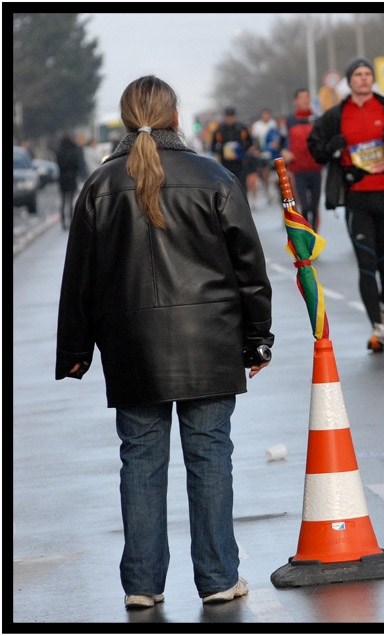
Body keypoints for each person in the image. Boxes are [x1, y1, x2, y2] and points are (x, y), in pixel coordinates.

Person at [55, 75, 272, 609]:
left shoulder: (100, 187)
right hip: (210, 342)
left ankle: (142, 585)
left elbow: (78, 276)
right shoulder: (213, 177)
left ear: (127, 121)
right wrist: (256, 339)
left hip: (132, 349)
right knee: (209, 457)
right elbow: (249, 268)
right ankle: (219, 576)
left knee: (141, 461)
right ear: (177, 117)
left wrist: (76, 349)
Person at [306, 56, 384, 353]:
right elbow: (315, 148)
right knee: (366, 263)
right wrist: (331, 148)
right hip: (357, 196)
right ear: (350, 81)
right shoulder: (337, 115)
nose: (363, 78)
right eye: (358, 74)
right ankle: (376, 326)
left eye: (367, 74)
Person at [282, 89, 324, 231]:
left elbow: (324, 139)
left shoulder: (317, 119)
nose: (305, 100)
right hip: (298, 170)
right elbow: (279, 142)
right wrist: (285, 152)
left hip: (315, 168)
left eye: (307, 97)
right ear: (296, 101)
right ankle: (306, 232)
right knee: (304, 206)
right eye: (301, 97)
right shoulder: (289, 121)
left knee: (314, 206)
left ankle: (314, 234)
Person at [211, 106, 252, 198]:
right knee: (228, 186)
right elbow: (213, 147)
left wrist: (240, 148)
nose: (230, 119)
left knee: (241, 185)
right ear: (225, 117)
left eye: (231, 117)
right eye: (228, 117)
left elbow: (250, 142)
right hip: (225, 164)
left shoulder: (241, 128)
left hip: (240, 162)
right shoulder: (219, 130)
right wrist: (222, 150)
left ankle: (244, 204)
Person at [55, 133, 86, 228]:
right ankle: (71, 218)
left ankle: (63, 220)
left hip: (62, 178)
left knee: (63, 200)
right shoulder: (74, 151)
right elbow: (78, 164)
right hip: (72, 177)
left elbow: (58, 164)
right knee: (71, 200)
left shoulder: (59, 151)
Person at [250, 108, 278, 203]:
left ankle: (274, 191)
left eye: (268, 114)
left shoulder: (273, 124)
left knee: (273, 173)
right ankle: (266, 190)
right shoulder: (257, 126)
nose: (266, 116)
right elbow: (254, 140)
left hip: (273, 153)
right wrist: (256, 149)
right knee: (264, 173)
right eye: (264, 115)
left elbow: (276, 137)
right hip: (262, 152)